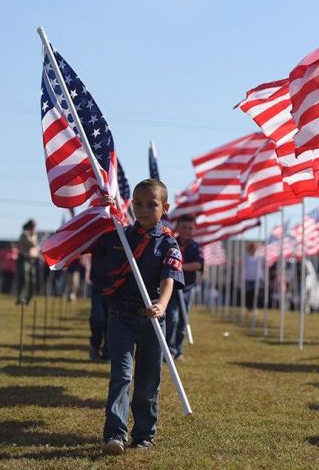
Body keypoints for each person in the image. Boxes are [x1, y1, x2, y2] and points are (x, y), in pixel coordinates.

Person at [91, 179, 184, 455]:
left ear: (164, 208)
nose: (143, 210)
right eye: (138, 204)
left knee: (147, 382)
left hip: (153, 320)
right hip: (121, 316)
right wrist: (104, 212)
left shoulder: (168, 242)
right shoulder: (120, 235)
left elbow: (169, 279)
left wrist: (162, 305)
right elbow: (96, 243)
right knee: (121, 375)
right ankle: (115, 434)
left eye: (151, 204)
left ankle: (144, 434)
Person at [165, 213, 203, 361]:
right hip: (171, 287)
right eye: (184, 227)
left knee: (182, 320)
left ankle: (179, 349)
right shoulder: (170, 242)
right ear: (177, 227)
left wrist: (179, 266)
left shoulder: (195, 246)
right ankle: (169, 349)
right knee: (171, 318)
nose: (187, 230)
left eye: (190, 228)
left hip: (186, 288)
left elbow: (198, 265)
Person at [16, 219, 39, 305]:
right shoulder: (25, 234)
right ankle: (21, 298)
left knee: (32, 280)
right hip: (24, 258)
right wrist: (33, 236)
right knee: (24, 279)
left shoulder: (33, 235)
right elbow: (32, 244)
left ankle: (29, 298)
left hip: (31, 259)